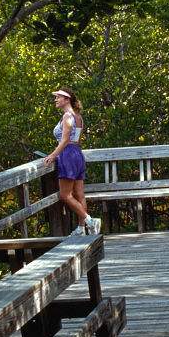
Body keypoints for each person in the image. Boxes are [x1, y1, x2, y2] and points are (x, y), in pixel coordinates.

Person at [44, 88, 100, 235]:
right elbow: (75, 140)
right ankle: (81, 229)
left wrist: (52, 155)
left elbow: (65, 140)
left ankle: (90, 221)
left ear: (67, 99)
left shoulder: (68, 117)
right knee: (79, 194)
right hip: (77, 154)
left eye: (58, 97)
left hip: (68, 155)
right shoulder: (78, 117)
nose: (55, 99)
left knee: (65, 195)